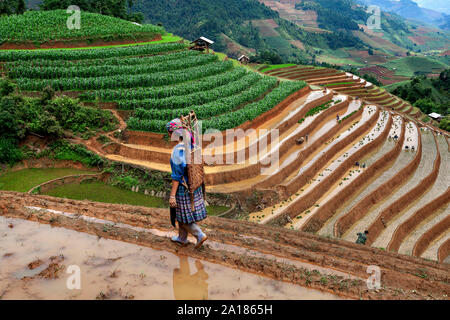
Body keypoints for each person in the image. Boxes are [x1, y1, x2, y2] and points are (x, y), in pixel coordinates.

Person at [166, 119, 208, 248]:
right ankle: (182, 238)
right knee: (183, 215)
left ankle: (199, 235)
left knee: (182, 218)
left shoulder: (177, 151)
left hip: (183, 188)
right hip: (194, 186)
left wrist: (172, 195)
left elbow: (176, 177)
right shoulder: (192, 145)